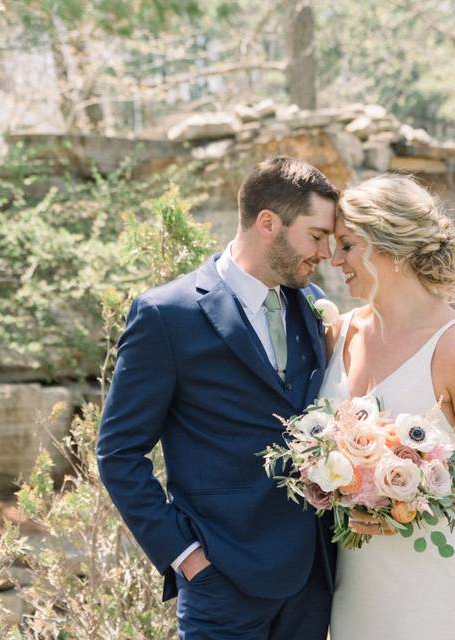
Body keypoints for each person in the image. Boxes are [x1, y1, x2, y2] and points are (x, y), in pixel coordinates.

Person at [97, 156, 339, 640]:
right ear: (268, 223)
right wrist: (186, 559)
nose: (327, 253)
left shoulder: (312, 305)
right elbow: (118, 453)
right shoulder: (167, 315)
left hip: (314, 577)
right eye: (316, 236)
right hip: (222, 582)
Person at [320, 174, 455, 640]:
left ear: (386, 245)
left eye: (347, 245)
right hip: (347, 574)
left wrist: (413, 502)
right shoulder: (337, 333)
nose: (334, 259)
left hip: (428, 577)